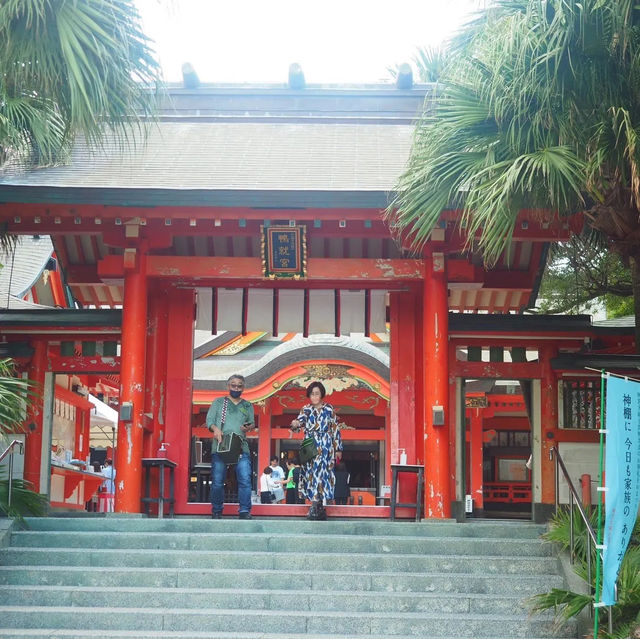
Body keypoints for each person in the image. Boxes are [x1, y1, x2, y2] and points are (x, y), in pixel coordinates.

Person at [289, 381, 343, 520]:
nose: (314, 396)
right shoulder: (305, 409)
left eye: (317, 393)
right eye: (312, 394)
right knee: (310, 473)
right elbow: (298, 424)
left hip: (325, 443)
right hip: (309, 443)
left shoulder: (329, 409)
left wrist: (338, 448)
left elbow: (335, 429)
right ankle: (316, 505)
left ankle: (317, 505)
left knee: (323, 473)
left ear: (322, 394)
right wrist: (294, 424)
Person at [207, 374, 255, 519]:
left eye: (239, 385)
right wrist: (216, 429)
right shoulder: (219, 402)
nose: (236, 388)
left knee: (245, 479)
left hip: (241, 446)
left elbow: (252, 423)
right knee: (217, 481)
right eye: (233, 385)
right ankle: (216, 510)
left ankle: (244, 510)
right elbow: (209, 421)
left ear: (243, 388)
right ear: (228, 386)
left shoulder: (247, 405)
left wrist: (248, 427)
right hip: (221, 445)